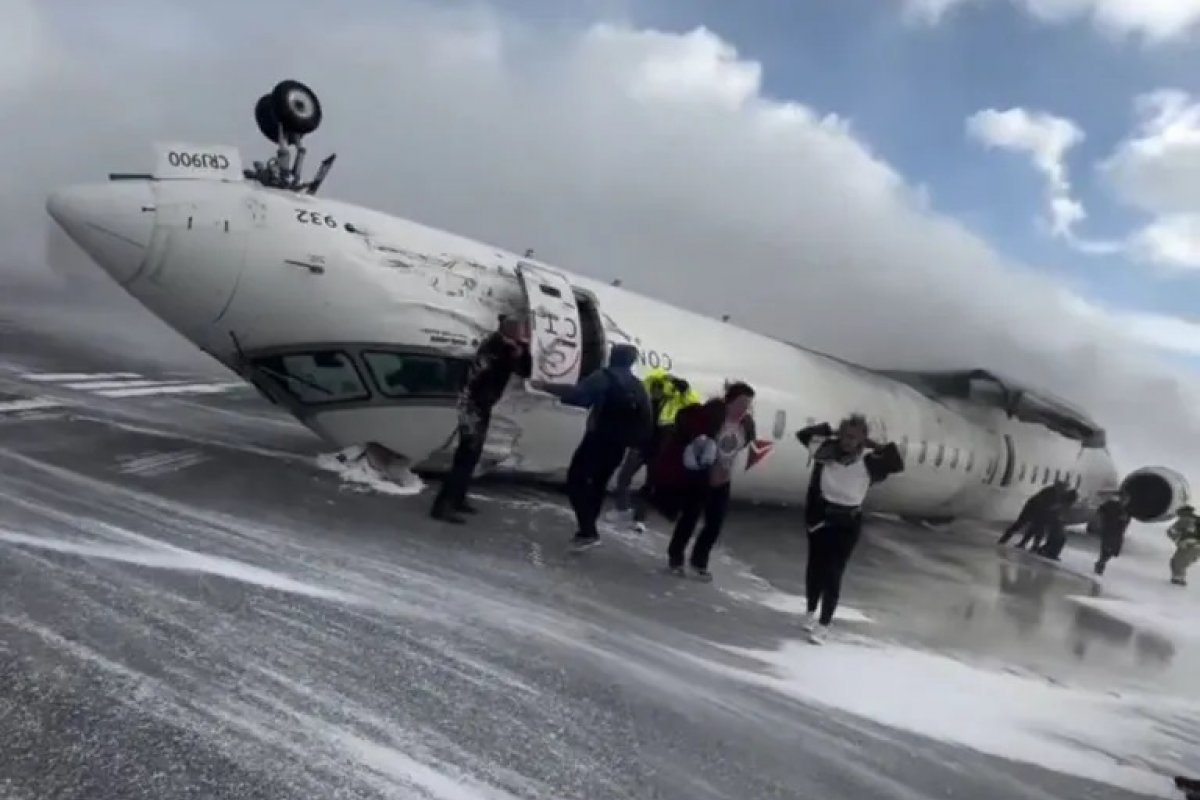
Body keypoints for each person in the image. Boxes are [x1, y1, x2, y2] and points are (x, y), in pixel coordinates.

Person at [795, 415, 904, 644]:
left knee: (834, 572)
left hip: (847, 521)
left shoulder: (869, 461)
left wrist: (874, 445)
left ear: (862, 439)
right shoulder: (827, 452)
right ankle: (810, 610)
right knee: (815, 567)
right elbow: (803, 435)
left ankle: (824, 624)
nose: (847, 441)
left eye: (853, 437)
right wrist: (830, 430)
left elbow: (896, 464)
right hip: (821, 516)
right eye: (845, 435)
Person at [429, 316, 531, 524]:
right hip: (473, 405)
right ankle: (444, 504)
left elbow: (524, 370)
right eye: (519, 330)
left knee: (471, 455)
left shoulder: (503, 346)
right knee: (467, 455)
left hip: (479, 404)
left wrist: (523, 350)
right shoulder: (497, 347)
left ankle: (457, 498)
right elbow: (485, 374)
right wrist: (517, 351)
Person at [555, 343, 653, 550]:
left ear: (612, 356)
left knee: (576, 480)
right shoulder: (638, 386)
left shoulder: (603, 377)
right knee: (599, 485)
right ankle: (586, 530)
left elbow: (578, 397)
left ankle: (588, 530)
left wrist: (550, 387)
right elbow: (646, 418)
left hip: (596, 439)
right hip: (618, 445)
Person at [664, 382, 757, 582]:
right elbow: (689, 428)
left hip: (723, 479)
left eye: (748, 404)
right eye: (741, 403)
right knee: (689, 518)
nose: (744, 408)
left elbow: (743, 444)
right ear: (730, 401)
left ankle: (699, 562)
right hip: (702, 476)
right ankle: (675, 557)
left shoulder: (746, 425)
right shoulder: (713, 416)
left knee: (714, 524)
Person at [615, 375, 702, 531]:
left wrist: (684, 390)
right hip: (641, 446)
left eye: (659, 389)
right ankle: (623, 510)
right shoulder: (645, 399)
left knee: (649, 485)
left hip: (658, 449)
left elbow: (694, 404)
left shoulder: (673, 402)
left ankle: (639, 519)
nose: (656, 392)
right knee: (624, 477)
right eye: (654, 389)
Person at [998, 482, 1067, 550]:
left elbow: (1050, 506)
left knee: (1033, 528)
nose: (1063, 490)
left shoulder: (1054, 493)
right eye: (1062, 488)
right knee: (1024, 525)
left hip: (1037, 510)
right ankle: (1009, 540)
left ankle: (1024, 544)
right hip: (1032, 509)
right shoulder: (1050, 492)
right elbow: (1046, 504)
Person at [1089, 491, 1133, 576]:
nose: (1125, 501)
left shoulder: (1127, 509)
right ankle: (1100, 565)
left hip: (1118, 533)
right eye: (1124, 499)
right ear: (1121, 498)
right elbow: (1100, 511)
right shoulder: (1111, 504)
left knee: (1113, 551)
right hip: (1108, 530)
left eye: (1127, 500)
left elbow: (1126, 521)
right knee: (1106, 549)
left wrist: (1124, 526)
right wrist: (1099, 522)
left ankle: (1101, 562)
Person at [1035, 488, 1078, 561]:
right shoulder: (1064, 504)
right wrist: (1059, 519)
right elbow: (1056, 511)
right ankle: (1050, 553)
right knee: (1059, 538)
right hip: (1057, 522)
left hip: (1057, 522)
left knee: (1055, 538)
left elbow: (1057, 511)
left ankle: (1047, 551)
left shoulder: (1065, 504)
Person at [1168, 506, 1200, 586]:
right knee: (1182, 562)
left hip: (1188, 544)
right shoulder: (1197, 519)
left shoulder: (1184, 519)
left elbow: (1170, 531)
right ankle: (1179, 578)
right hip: (1197, 546)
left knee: (1177, 562)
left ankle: (1178, 579)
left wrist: (1177, 540)